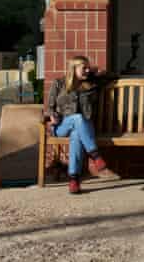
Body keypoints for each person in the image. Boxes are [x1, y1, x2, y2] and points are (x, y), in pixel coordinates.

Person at [46, 55, 114, 194]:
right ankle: (95, 156)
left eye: (88, 67)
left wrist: (96, 72)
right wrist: (52, 116)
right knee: (77, 118)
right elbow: (49, 107)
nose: (87, 70)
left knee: (76, 135)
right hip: (61, 126)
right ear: (74, 68)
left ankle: (74, 181)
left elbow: (112, 76)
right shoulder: (59, 83)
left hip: (84, 128)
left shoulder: (91, 83)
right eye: (84, 68)